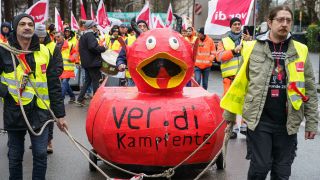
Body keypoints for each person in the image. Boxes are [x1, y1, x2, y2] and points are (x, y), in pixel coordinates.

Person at [221, 6, 319, 180]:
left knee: (282, 172)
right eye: (280, 20)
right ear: (270, 22)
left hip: (288, 122)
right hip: (259, 121)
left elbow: (310, 88)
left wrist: (312, 123)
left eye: (288, 20)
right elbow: (239, 83)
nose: (284, 24)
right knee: (260, 167)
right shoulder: (251, 47)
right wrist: (229, 117)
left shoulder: (301, 50)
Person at [0, 13, 67, 180]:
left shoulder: (44, 51)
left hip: (40, 113)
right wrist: (6, 93)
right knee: (15, 156)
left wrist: (60, 115)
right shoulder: (4, 51)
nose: (27, 27)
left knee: (40, 155)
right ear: (16, 28)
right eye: (22, 24)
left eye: (30, 24)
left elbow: (53, 84)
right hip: (15, 111)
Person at [216, 17, 252, 139]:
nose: (237, 26)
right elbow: (219, 57)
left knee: (246, 103)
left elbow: (255, 53)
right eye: (235, 24)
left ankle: (244, 127)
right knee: (229, 105)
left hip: (243, 78)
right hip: (230, 79)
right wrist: (233, 51)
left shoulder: (246, 39)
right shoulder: (223, 41)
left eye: (239, 24)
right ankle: (230, 129)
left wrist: (251, 41)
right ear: (231, 26)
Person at [34, 23, 64, 153]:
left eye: (41, 37)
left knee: (49, 118)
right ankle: (37, 139)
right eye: (37, 37)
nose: (40, 39)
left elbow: (58, 66)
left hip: (48, 87)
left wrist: (50, 75)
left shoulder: (53, 47)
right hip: (34, 90)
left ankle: (48, 141)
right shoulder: (31, 46)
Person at [76, 20, 106, 106]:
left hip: (87, 63)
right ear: (91, 27)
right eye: (95, 26)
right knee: (95, 80)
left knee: (88, 81)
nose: (96, 28)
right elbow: (93, 47)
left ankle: (80, 98)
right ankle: (96, 100)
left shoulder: (83, 35)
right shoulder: (90, 35)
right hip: (92, 62)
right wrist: (103, 48)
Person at [116, 19, 149, 87]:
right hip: (132, 77)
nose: (142, 28)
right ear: (135, 28)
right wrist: (120, 64)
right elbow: (121, 57)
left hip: (148, 77)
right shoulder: (129, 40)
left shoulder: (152, 40)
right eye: (139, 26)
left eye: (144, 26)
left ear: (147, 29)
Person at [55, 32, 78, 103]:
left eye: (58, 37)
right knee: (65, 83)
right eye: (56, 37)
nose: (57, 38)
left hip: (68, 69)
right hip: (60, 69)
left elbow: (75, 53)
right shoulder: (55, 45)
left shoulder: (69, 45)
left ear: (62, 37)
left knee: (64, 82)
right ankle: (72, 96)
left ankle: (61, 98)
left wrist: (71, 59)